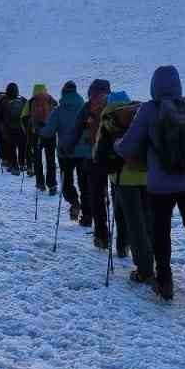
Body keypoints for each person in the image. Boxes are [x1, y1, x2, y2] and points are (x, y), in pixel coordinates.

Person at [115, 65, 185, 316]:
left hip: (159, 187)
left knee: (161, 234)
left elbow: (129, 146)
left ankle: (164, 283)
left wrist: (117, 143)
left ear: (154, 87)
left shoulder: (148, 110)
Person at [95, 91, 153, 280]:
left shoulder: (109, 119)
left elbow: (99, 154)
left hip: (122, 180)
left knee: (132, 221)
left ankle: (136, 261)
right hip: (147, 176)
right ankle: (153, 259)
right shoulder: (141, 115)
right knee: (148, 220)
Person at [40, 81, 86, 221]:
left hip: (65, 152)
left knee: (67, 183)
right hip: (85, 152)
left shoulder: (58, 110)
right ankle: (87, 216)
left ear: (63, 93)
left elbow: (48, 132)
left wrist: (39, 130)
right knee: (85, 183)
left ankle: (74, 202)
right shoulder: (85, 107)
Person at [77, 79, 111, 247]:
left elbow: (76, 128)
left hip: (94, 156)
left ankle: (101, 236)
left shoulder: (87, 106)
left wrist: (67, 147)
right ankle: (124, 241)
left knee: (96, 196)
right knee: (121, 199)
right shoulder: (116, 102)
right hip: (117, 158)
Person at [24, 84, 58, 193]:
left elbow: (23, 118)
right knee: (51, 159)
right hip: (50, 135)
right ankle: (52, 185)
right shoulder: (52, 100)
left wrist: (28, 133)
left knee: (37, 160)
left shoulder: (30, 102)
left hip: (36, 135)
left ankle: (40, 183)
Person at [0, 83, 28, 175]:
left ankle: (14, 167)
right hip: (22, 128)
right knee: (22, 147)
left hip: (9, 128)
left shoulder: (4, 100)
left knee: (11, 147)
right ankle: (22, 164)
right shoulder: (23, 100)